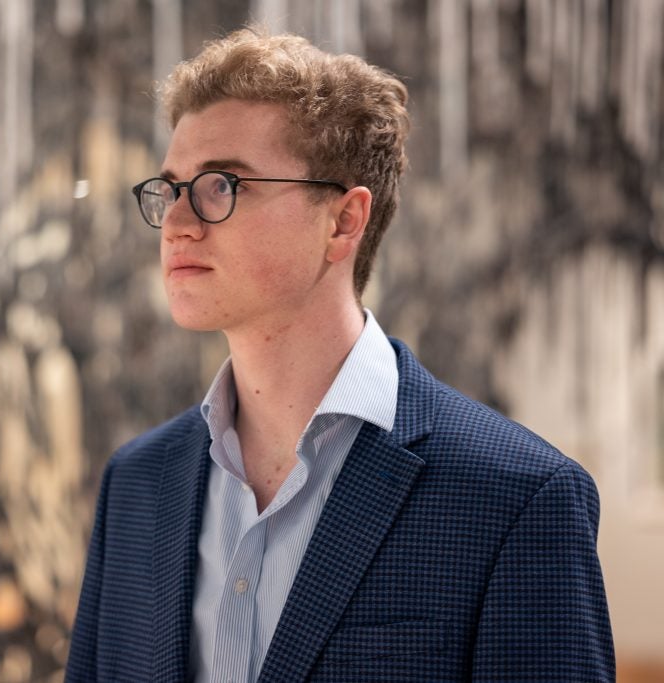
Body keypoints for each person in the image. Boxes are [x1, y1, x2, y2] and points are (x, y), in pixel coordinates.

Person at [66, 27, 614, 682]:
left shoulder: (517, 497)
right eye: (171, 188)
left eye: (221, 187)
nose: (179, 224)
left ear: (343, 221)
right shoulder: (137, 483)